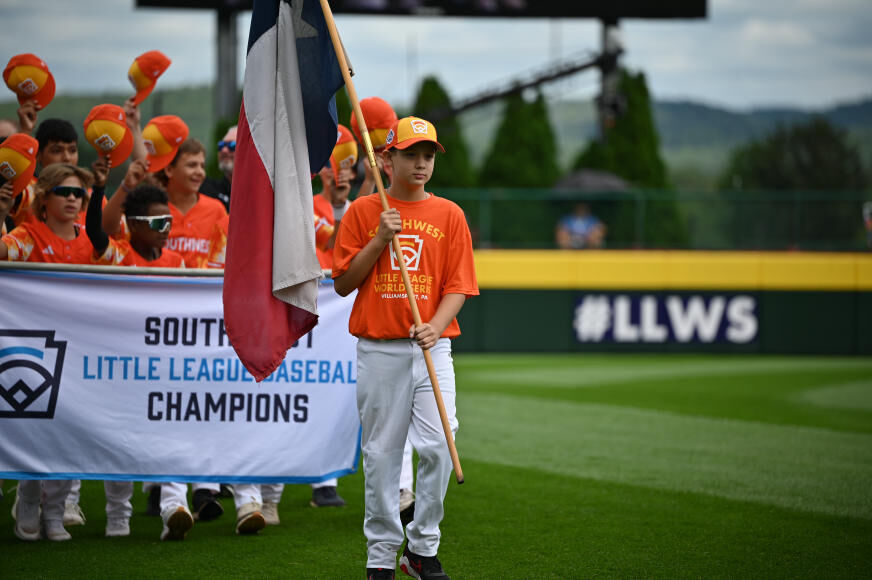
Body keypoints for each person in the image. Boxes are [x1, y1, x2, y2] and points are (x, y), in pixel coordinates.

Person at [333, 116, 479, 580]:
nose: (421, 163)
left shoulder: (450, 214)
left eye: (428, 155)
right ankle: (380, 556)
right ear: (387, 158)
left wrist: (436, 326)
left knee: (439, 446)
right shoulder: (363, 212)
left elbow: (458, 285)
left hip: (431, 350)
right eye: (411, 154)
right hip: (379, 350)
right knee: (381, 454)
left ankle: (421, 548)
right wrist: (380, 238)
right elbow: (342, 284)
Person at [200, 125, 236, 211]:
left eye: (232, 145)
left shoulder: (261, 192)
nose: (224, 150)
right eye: (221, 145)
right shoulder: (204, 189)